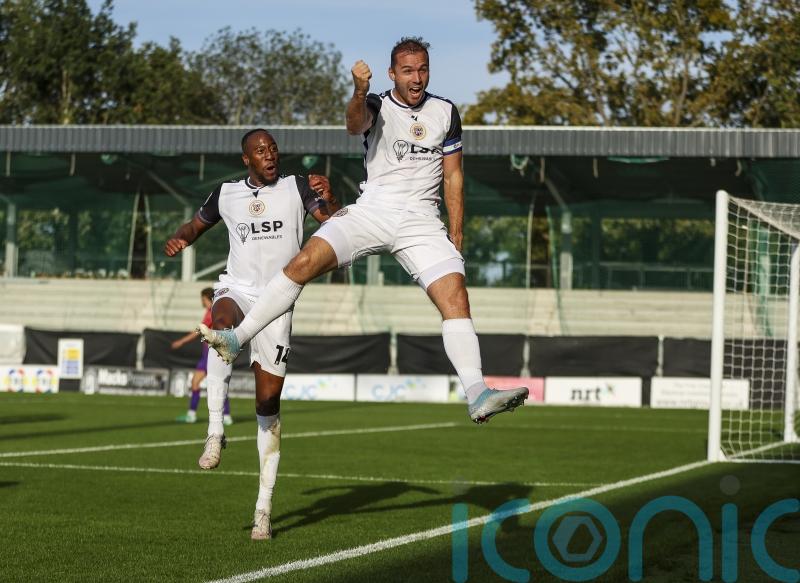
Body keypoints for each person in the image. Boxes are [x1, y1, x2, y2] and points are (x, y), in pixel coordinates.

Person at [200, 37, 528, 424]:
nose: (417, 78)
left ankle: (477, 393)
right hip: (373, 210)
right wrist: (359, 90)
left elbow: (453, 176)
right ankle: (237, 339)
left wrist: (456, 234)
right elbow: (354, 124)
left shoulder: (445, 111)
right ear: (393, 74)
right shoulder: (376, 103)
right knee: (303, 262)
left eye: (422, 69)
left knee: (455, 297)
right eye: (408, 71)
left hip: (422, 221)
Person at [164, 128, 340, 540]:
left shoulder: (298, 186)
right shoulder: (226, 193)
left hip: (278, 300)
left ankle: (263, 508)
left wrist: (331, 198)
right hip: (238, 290)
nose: (270, 155)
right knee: (220, 326)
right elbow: (195, 225)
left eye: (273, 148)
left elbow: (333, 226)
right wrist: (179, 239)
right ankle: (215, 432)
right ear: (247, 159)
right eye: (261, 151)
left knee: (267, 404)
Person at [171, 287, 233, 426]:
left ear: (207, 298)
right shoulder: (213, 311)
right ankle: (193, 414)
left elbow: (199, 331)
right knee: (199, 382)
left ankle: (225, 415)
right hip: (209, 353)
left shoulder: (213, 312)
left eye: (203, 299)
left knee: (214, 384)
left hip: (213, 353)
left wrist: (181, 341)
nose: (202, 302)